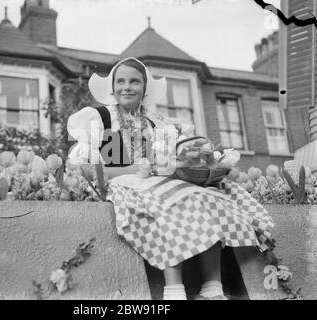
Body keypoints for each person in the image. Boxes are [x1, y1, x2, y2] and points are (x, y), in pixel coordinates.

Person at [67, 57, 274, 300]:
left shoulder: (158, 122)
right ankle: (174, 289)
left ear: (145, 89)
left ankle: (212, 288)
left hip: (160, 180)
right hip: (122, 182)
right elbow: (90, 170)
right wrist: (136, 169)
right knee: (163, 203)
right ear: (112, 88)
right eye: (120, 81)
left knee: (205, 195)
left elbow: (171, 161)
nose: (127, 87)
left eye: (135, 82)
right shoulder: (99, 119)